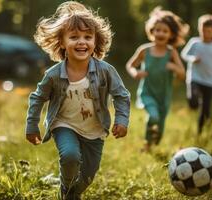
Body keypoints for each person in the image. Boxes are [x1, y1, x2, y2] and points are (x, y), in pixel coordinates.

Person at [25, 1, 130, 199]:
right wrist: (32, 125)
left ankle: (70, 193)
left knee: (88, 175)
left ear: (95, 42)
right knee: (70, 156)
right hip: (64, 124)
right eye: (74, 37)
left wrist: (122, 120)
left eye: (87, 37)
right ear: (62, 42)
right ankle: (66, 186)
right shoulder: (54, 75)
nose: (82, 42)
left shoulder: (106, 71)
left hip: (94, 130)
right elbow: (37, 98)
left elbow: (121, 95)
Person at [126, 7, 188, 152]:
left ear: (171, 34)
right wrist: (135, 73)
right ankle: (147, 145)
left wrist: (174, 67)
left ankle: (154, 142)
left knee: (159, 125)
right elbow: (130, 65)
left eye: (165, 31)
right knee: (153, 116)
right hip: (147, 92)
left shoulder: (171, 52)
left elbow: (182, 74)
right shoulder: (144, 50)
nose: (160, 33)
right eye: (158, 30)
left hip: (164, 96)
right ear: (151, 31)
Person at [181, 14, 212, 134]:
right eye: (202, 30)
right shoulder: (194, 42)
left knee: (206, 111)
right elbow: (184, 54)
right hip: (194, 78)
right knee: (194, 101)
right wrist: (192, 59)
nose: (205, 33)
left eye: (208, 31)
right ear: (199, 29)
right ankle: (193, 102)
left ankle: (199, 132)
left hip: (209, 81)